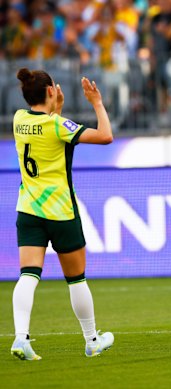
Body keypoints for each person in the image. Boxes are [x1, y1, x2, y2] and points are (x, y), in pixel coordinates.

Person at [11, 68, 114, 360]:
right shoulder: (58, 126)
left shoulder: (19, 120)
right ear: (49, 92)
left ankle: (21, 338)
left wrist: (55, 106)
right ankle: (92, 340)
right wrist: (96, 102)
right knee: (76, 279)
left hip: (29, 210)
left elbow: (48, 125)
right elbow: (105, 136)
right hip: (61, 212)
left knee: (28, 275)